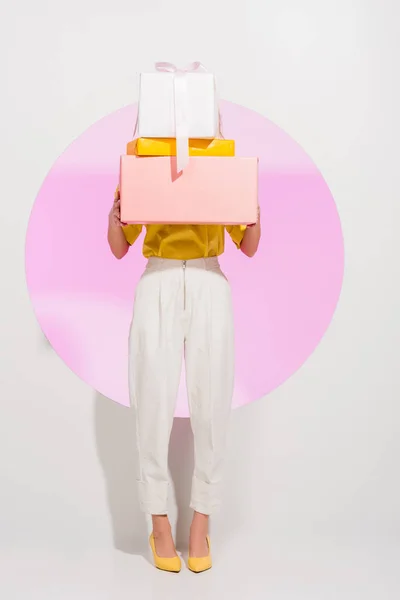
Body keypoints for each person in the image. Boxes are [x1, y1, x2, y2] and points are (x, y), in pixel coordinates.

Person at [108, 185, 261, 573]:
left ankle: (202, 522)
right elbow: (119, 246)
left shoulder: (221, 168)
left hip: (208, 276)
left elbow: (249, 245)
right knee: (152, 400)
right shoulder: (145, 163)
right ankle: (157, 522)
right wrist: (114, 218)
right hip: (157, 275)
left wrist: (253, 210)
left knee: (212, 406)